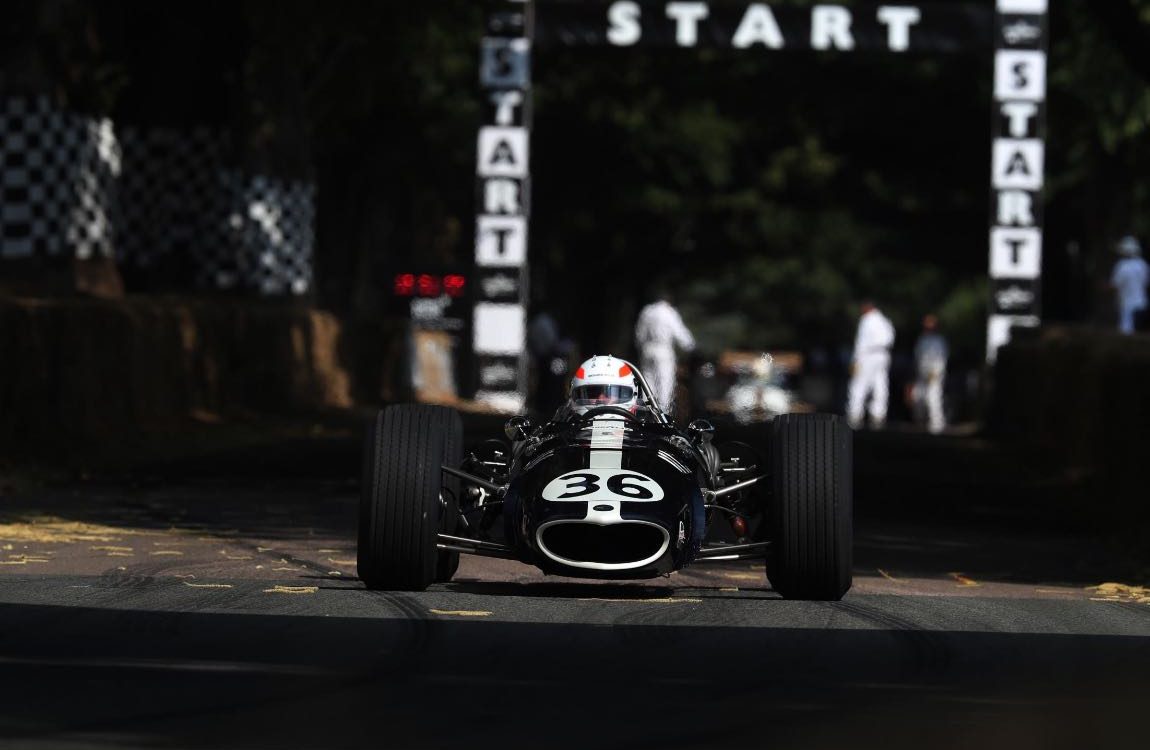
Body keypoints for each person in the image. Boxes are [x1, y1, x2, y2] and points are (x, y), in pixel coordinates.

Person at [634, 288, 695, 414]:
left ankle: (647, 411)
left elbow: (639, 334)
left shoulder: (647, 311)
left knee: (647, 381)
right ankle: (663, 413)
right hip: (663, 349)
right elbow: (679, 332)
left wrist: (641, 347)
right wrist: (690, 346)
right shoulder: (669, 312)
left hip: (648, 349)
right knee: (665, 382)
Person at [847, 301, 895, 430]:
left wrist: (855, 360)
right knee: (880, 384)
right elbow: (890, 339)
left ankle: (855, 414)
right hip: (883, 355)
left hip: (868, 354)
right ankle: (878, 415)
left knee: (859, 383)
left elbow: (861, 341)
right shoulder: (885, 321)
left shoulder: (866, 320)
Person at [563, 355, 640, 417]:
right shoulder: (565, 434)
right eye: (593, 393)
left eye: (609, 393)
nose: (601, 399)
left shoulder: (644, 434)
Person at [911, 314, 948, 434]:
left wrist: (936, 372)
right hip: (922, 373)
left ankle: (937, 424)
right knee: (918, 398)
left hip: (934, 374)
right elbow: (917, 357)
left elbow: (941, 358)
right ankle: (920, 423)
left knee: (933, 398)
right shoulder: (921, 339)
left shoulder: (939, 340)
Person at [1110, 236, 1149, 335]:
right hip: (1142, 304)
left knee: (1127, 336)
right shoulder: (1143, 265)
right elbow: (1146, 283)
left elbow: (1115, 285)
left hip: (1127, 307)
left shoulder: (1121, 266)